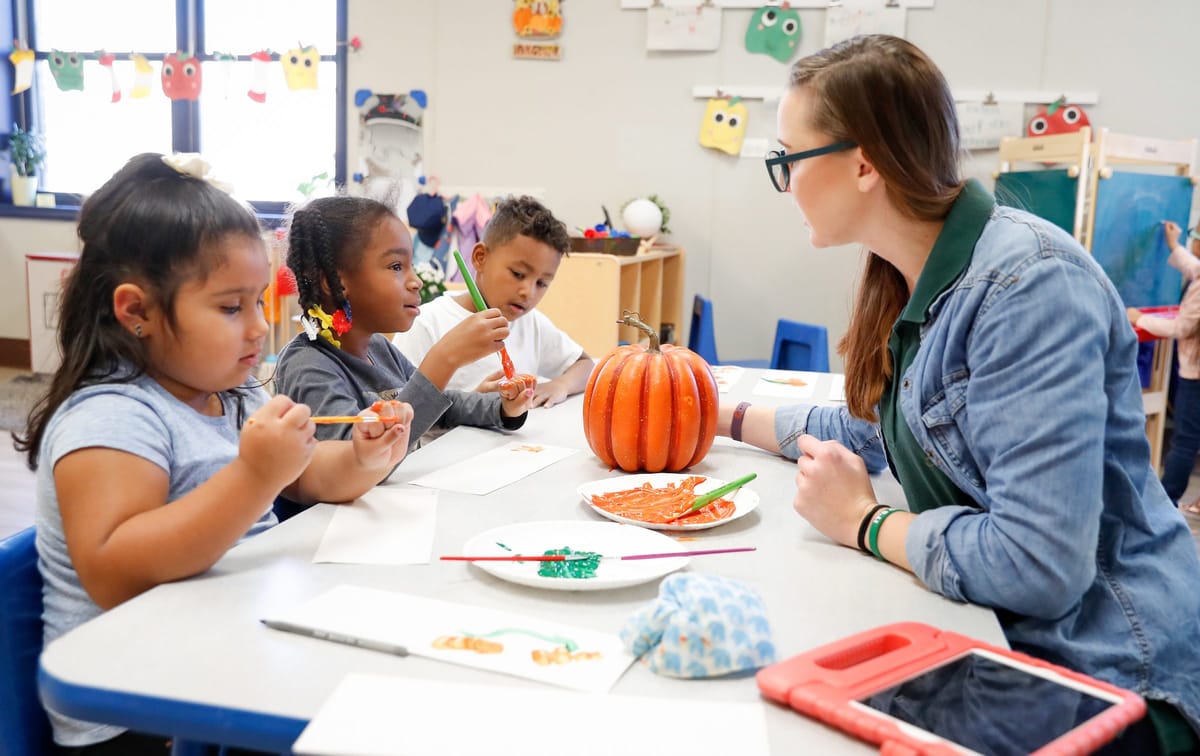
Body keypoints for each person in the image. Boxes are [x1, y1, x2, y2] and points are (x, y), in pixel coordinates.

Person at [720, 35, 1200, 751]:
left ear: (863, 164)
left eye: (788, 159)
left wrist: (863, 522)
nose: (785, 183)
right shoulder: (915, 273)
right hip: (1009, 639)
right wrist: (720, 416)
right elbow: (877, 428)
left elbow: (1037, 564)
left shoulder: (1030, 287)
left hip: (1112, 672)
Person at [14, 153, 413, 753]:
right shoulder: (111, 416)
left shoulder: (230, 396)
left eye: (258, 303)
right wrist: (255, 476)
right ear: (137, 311)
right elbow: (115, 572)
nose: (258, 328)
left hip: (228, 658)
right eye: (231, 307)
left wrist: (362, 458)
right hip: (136, 714)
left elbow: (307, 476)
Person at [274, 195, 533, 444]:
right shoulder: (307, 366)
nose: (416, 281)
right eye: (396, 266)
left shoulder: (379, 348)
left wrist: (502, 407)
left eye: (411, 266)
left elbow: (436, 406)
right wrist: (444, 358)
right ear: (337, 284)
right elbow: (357, 457)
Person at [392, 195, 594, 408]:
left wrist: (560, 385)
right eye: (517, 274)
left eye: (542, 283)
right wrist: (474, 405)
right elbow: (397, 411)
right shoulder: (426, 323)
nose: (528, 292)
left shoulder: (531, 323)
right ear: (480, 258)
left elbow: (585, 365)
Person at [1129, 221, 1200, 516]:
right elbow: (1194, 268)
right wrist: (1173, 246)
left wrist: (1139, 319)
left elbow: (1181, 328)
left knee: (1185, 440)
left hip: (1195, 375)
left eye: (1195, 235)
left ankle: (1163, 503)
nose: (1192, 240)